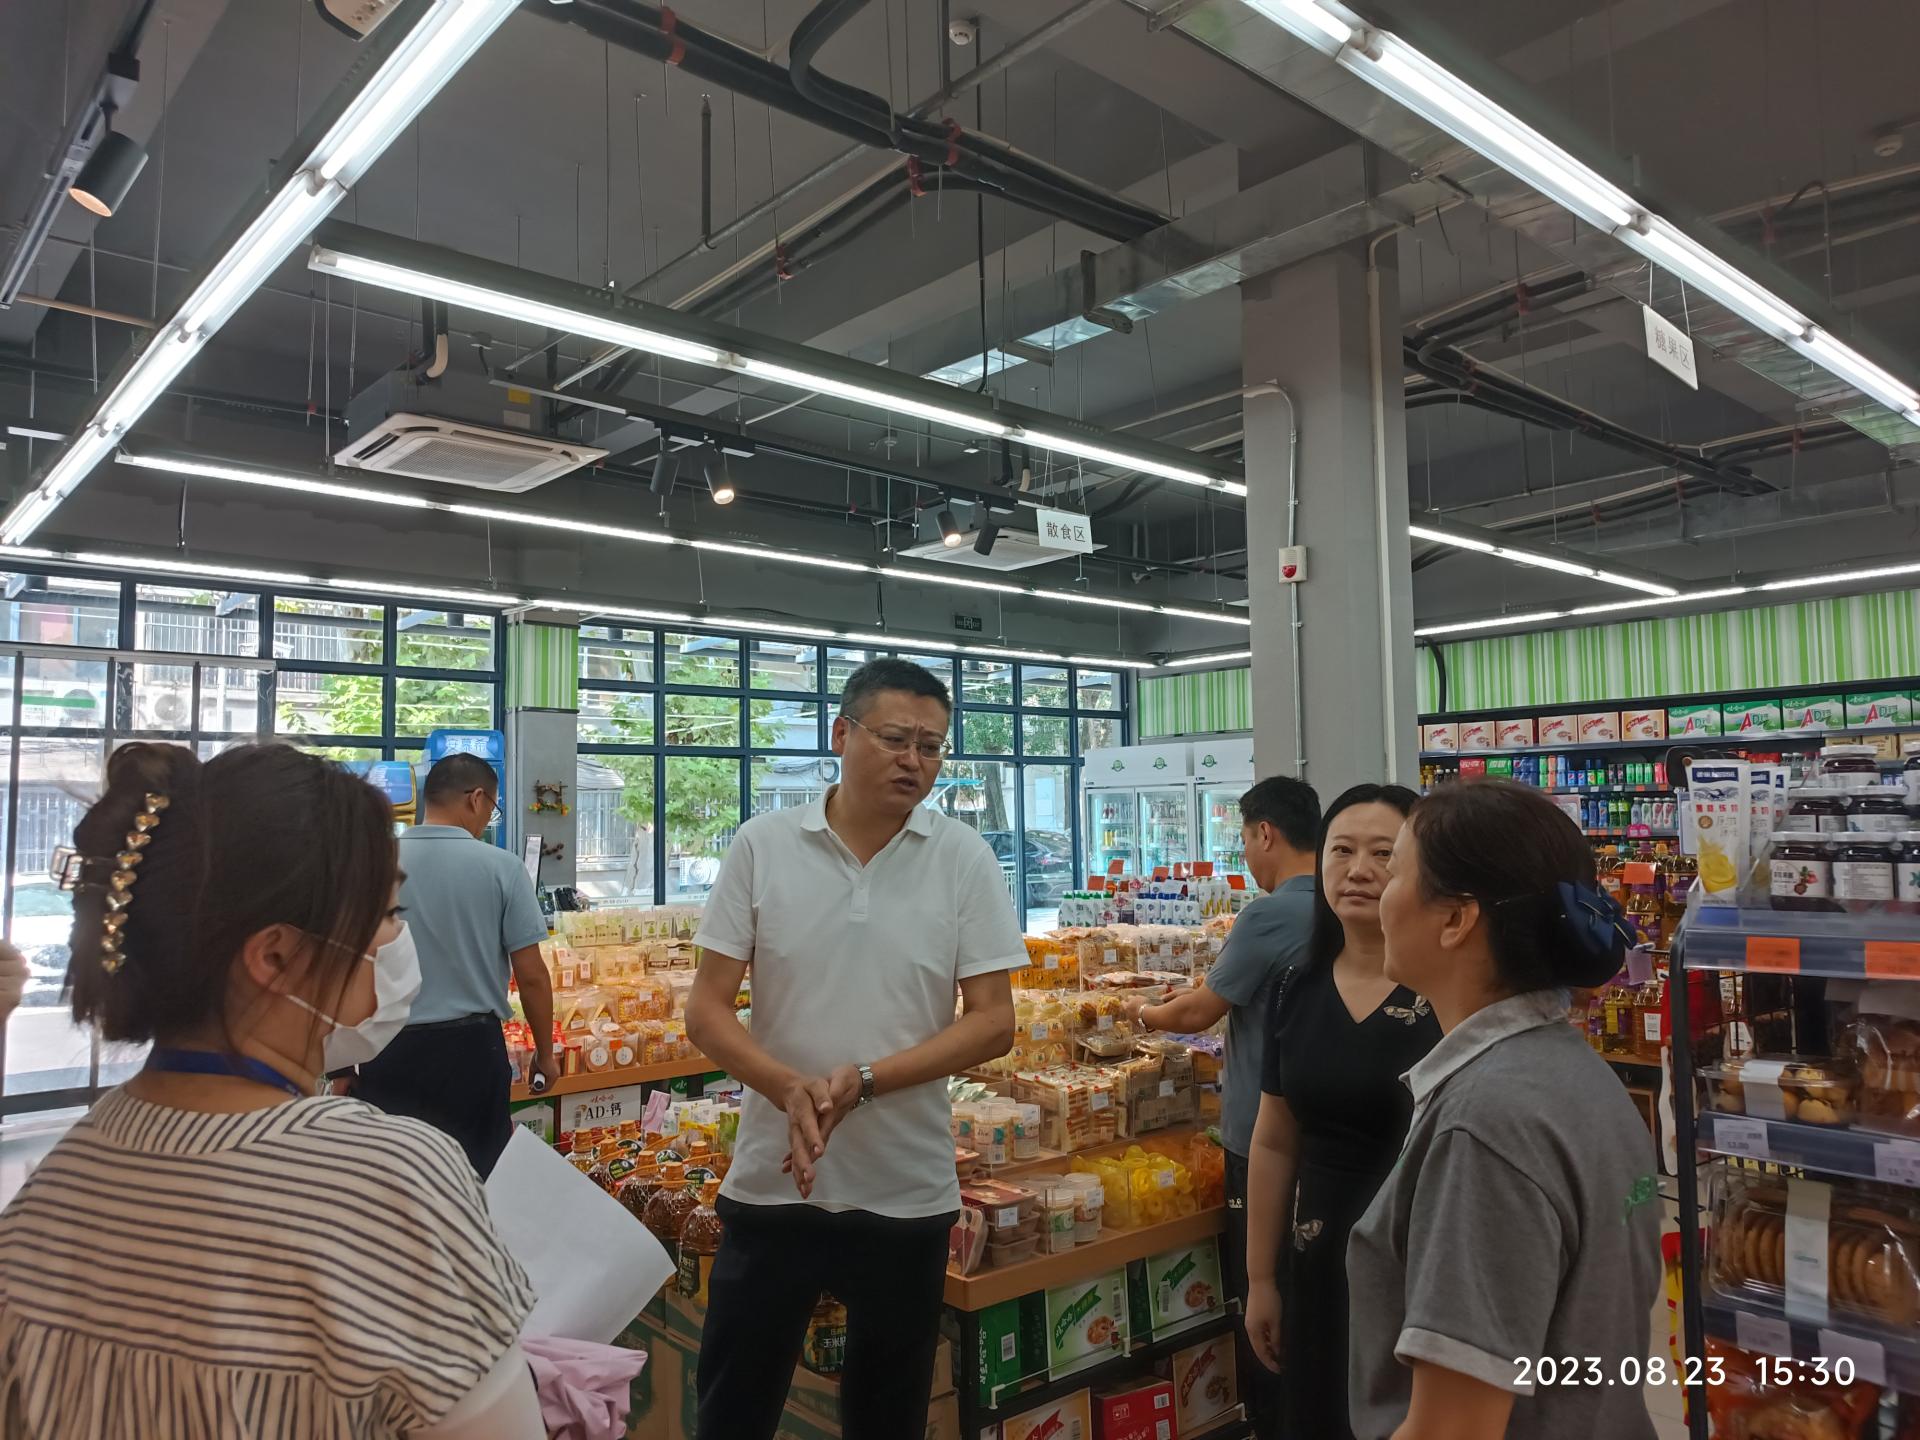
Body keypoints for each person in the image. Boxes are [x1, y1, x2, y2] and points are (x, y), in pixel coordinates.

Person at [0, 743, 541, 1436]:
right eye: (386, 915)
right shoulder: (390, 1180)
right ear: (276, 956)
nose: (395, 941)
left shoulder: (51, 1189)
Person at [682, 658, 1022, 1440]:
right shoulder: (763, 845)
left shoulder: (963, 857)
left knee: (888, 1416)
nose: (914, 761)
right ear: (840, 734)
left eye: (931, 747)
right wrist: (787, 1087)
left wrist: (866, 1080)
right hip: (774, 1185)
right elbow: (705, 1011)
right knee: (733, 1410)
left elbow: (993, 1022)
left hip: (907, 1190)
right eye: (896, 739)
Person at [1348, 779, 1661, 1440]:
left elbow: (1451, 1431)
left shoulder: (1485, 1124)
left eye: (1395, 869)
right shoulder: (1577, 1074)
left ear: (1456, 920)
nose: (1378, 890)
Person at [1124, 775, 1319, 1438]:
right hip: (1326, 1135)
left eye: (1243, 838)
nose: (1245, 853)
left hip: (1260, 1135)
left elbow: (1197, 1013)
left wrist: (1142, 1013)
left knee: (1263, 1301)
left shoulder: (1268, 914)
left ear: (1266, 833)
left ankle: (1270, 1418)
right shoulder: (1348, 905)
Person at [1242, 783, 1434, 1440]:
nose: (1358, 870)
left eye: (1383, 853)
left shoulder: (1448, 991)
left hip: (1423, 1264)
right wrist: (1261, 1278)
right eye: (1342, 850)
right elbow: (1274, 1140)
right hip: (1319, 1259)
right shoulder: (1295, 988)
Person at [353, 752, 554, 1178]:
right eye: (492, 807)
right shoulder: (503, 868)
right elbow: (532, 977)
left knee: (394, 1180)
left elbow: (342, 962)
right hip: (471, 1053)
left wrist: (340, 1063)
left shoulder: (373, 861)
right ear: (476, 798)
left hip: (385, 1047)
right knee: (478, 1178)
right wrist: (545, 1053)